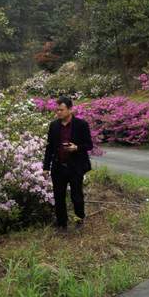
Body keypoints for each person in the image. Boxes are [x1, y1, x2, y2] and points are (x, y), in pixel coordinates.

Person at [42, 96, 94, 232]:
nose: (58, 113)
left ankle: (79, 220)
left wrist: (76, 147)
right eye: (57, 110)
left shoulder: (81, 124)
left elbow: (89, 145)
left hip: (75, 166)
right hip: (58, 166)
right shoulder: (54, 125)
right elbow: (49, 147)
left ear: (70, 109)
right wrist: (46, 167)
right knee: (59, 196)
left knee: (76, 196)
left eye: (61, 110)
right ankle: (62, 224)